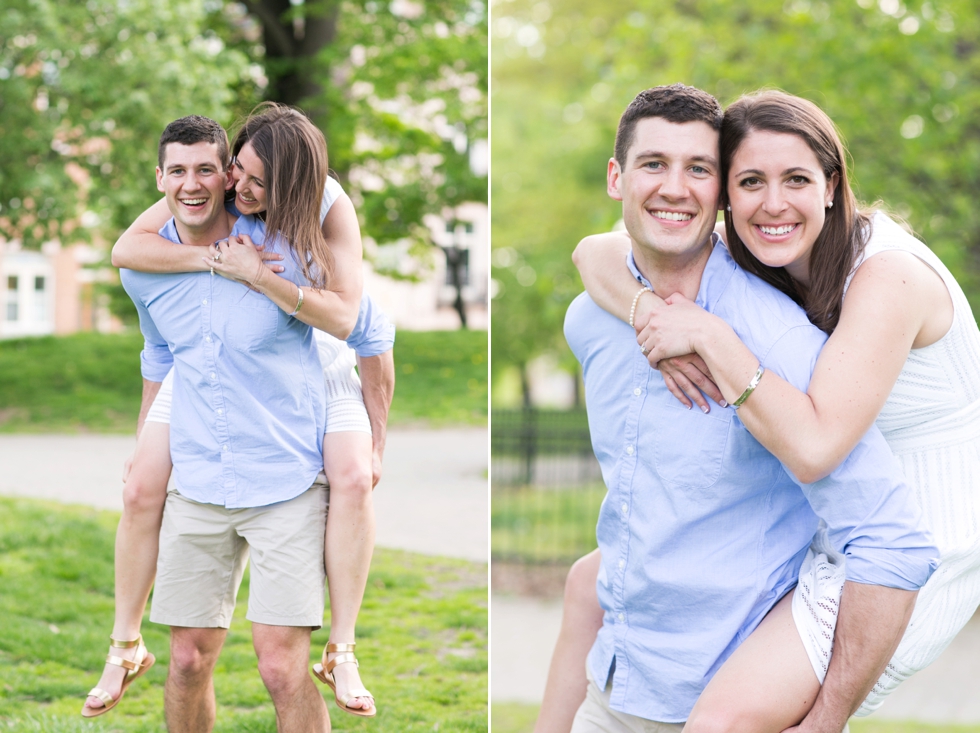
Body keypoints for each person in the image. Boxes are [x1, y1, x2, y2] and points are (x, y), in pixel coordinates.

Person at [548, 87, 980, 732]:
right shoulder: (766, 253)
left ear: (833, 185)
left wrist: (711, 337)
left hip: (917, 536)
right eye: (751, 180)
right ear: (730, 195)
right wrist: (650, 313)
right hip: (831, 510)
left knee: (722, 720)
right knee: (593, 578)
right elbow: (598, 250)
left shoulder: (887, 278)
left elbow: (817, 451)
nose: (772, 202)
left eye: (797, 179)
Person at [81, 112, 376, 730]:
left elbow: (362, 327)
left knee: (279, 666)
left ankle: (343, 648)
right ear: (161, 178)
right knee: (186, 658)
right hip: (202, 475)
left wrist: (258, 275)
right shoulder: (147, 263)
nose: (213, 184)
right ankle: (124, 644)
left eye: (212, 171)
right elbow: (156, 347)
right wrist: (210, 260)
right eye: (183, 171)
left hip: (286, 476)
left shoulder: (301, 236)